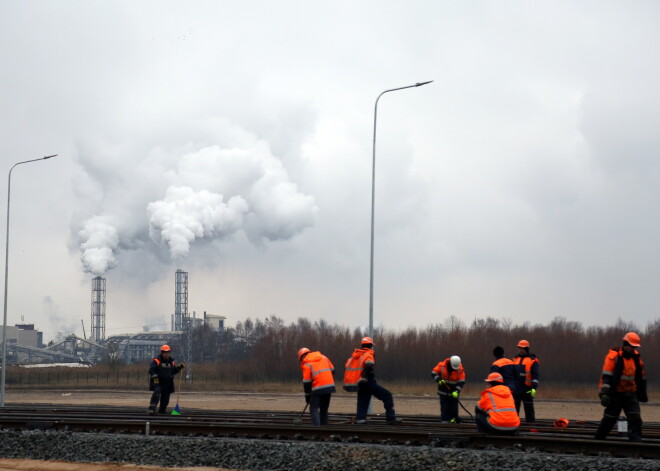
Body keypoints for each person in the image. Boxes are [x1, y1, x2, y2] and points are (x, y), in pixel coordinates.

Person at [595, 332, 647, 442]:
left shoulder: (637, 359)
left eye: (635, 347)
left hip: (631, 394)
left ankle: (636, 443)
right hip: (616, 394)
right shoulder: (613, 358)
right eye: (632, 346)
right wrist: (604, 393)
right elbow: (607, 377)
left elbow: (641, 378)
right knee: (610, 419)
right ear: (625, 344)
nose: (633, 349)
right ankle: (598, 440)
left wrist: (642, 394)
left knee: (635, 419)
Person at [343, 336, 402, 425]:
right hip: (368, 382)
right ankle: (391, 418)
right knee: (387, 395)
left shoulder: (355, 356)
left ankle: (361, 420)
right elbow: (369, 364)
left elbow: (347, 365)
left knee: (362, 401)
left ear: (362, 345)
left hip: (360, 383)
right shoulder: (368, 353)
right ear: (371, 346)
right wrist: (367, 374)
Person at [298, 347, 336, 426]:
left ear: (302, 356)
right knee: (324, 409)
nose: (301, 361)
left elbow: (307, 382)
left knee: (313, 408)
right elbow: (333, 370)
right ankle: (324, 428)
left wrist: (307, 396)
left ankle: (316, 429)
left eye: (301, 359)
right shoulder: (324, 357)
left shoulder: (306, 363)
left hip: (318, 387)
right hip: (329, 386)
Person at [148, 344, 184, 415]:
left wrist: (179, 368)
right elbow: (152, 370)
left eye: (168, 352)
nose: (167, 354)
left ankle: (162, 410)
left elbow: (173, 371)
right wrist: (155, 378)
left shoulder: (171, 362)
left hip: (167, 383)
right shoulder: (156, 361)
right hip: (158, 382)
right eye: (165, 352)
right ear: (162, 353)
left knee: (166, 398)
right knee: (156, 394)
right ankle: (152, 409)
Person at [431, 355, 466, 423]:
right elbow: (433, 373)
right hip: (443, 391)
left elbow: (461, 382)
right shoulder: (441, 365)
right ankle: (445, 421)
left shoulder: (460, 369)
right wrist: (439, 380)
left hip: (454, 392)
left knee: (454, 407)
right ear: (450, 363)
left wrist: (456, 391)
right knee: (444, 407)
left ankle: (453, 420)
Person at [513, 339, 539, 423]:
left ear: (527, 349)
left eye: (522, 348)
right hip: (516, 390)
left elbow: (535, 376)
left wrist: (534, 388)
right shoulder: (515, 359)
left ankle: (531, 428)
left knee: (529, 411)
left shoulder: (533, 360)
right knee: (514, 412)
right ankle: (514, 426)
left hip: (527, 389)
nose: (520, 350)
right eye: (519, 348)